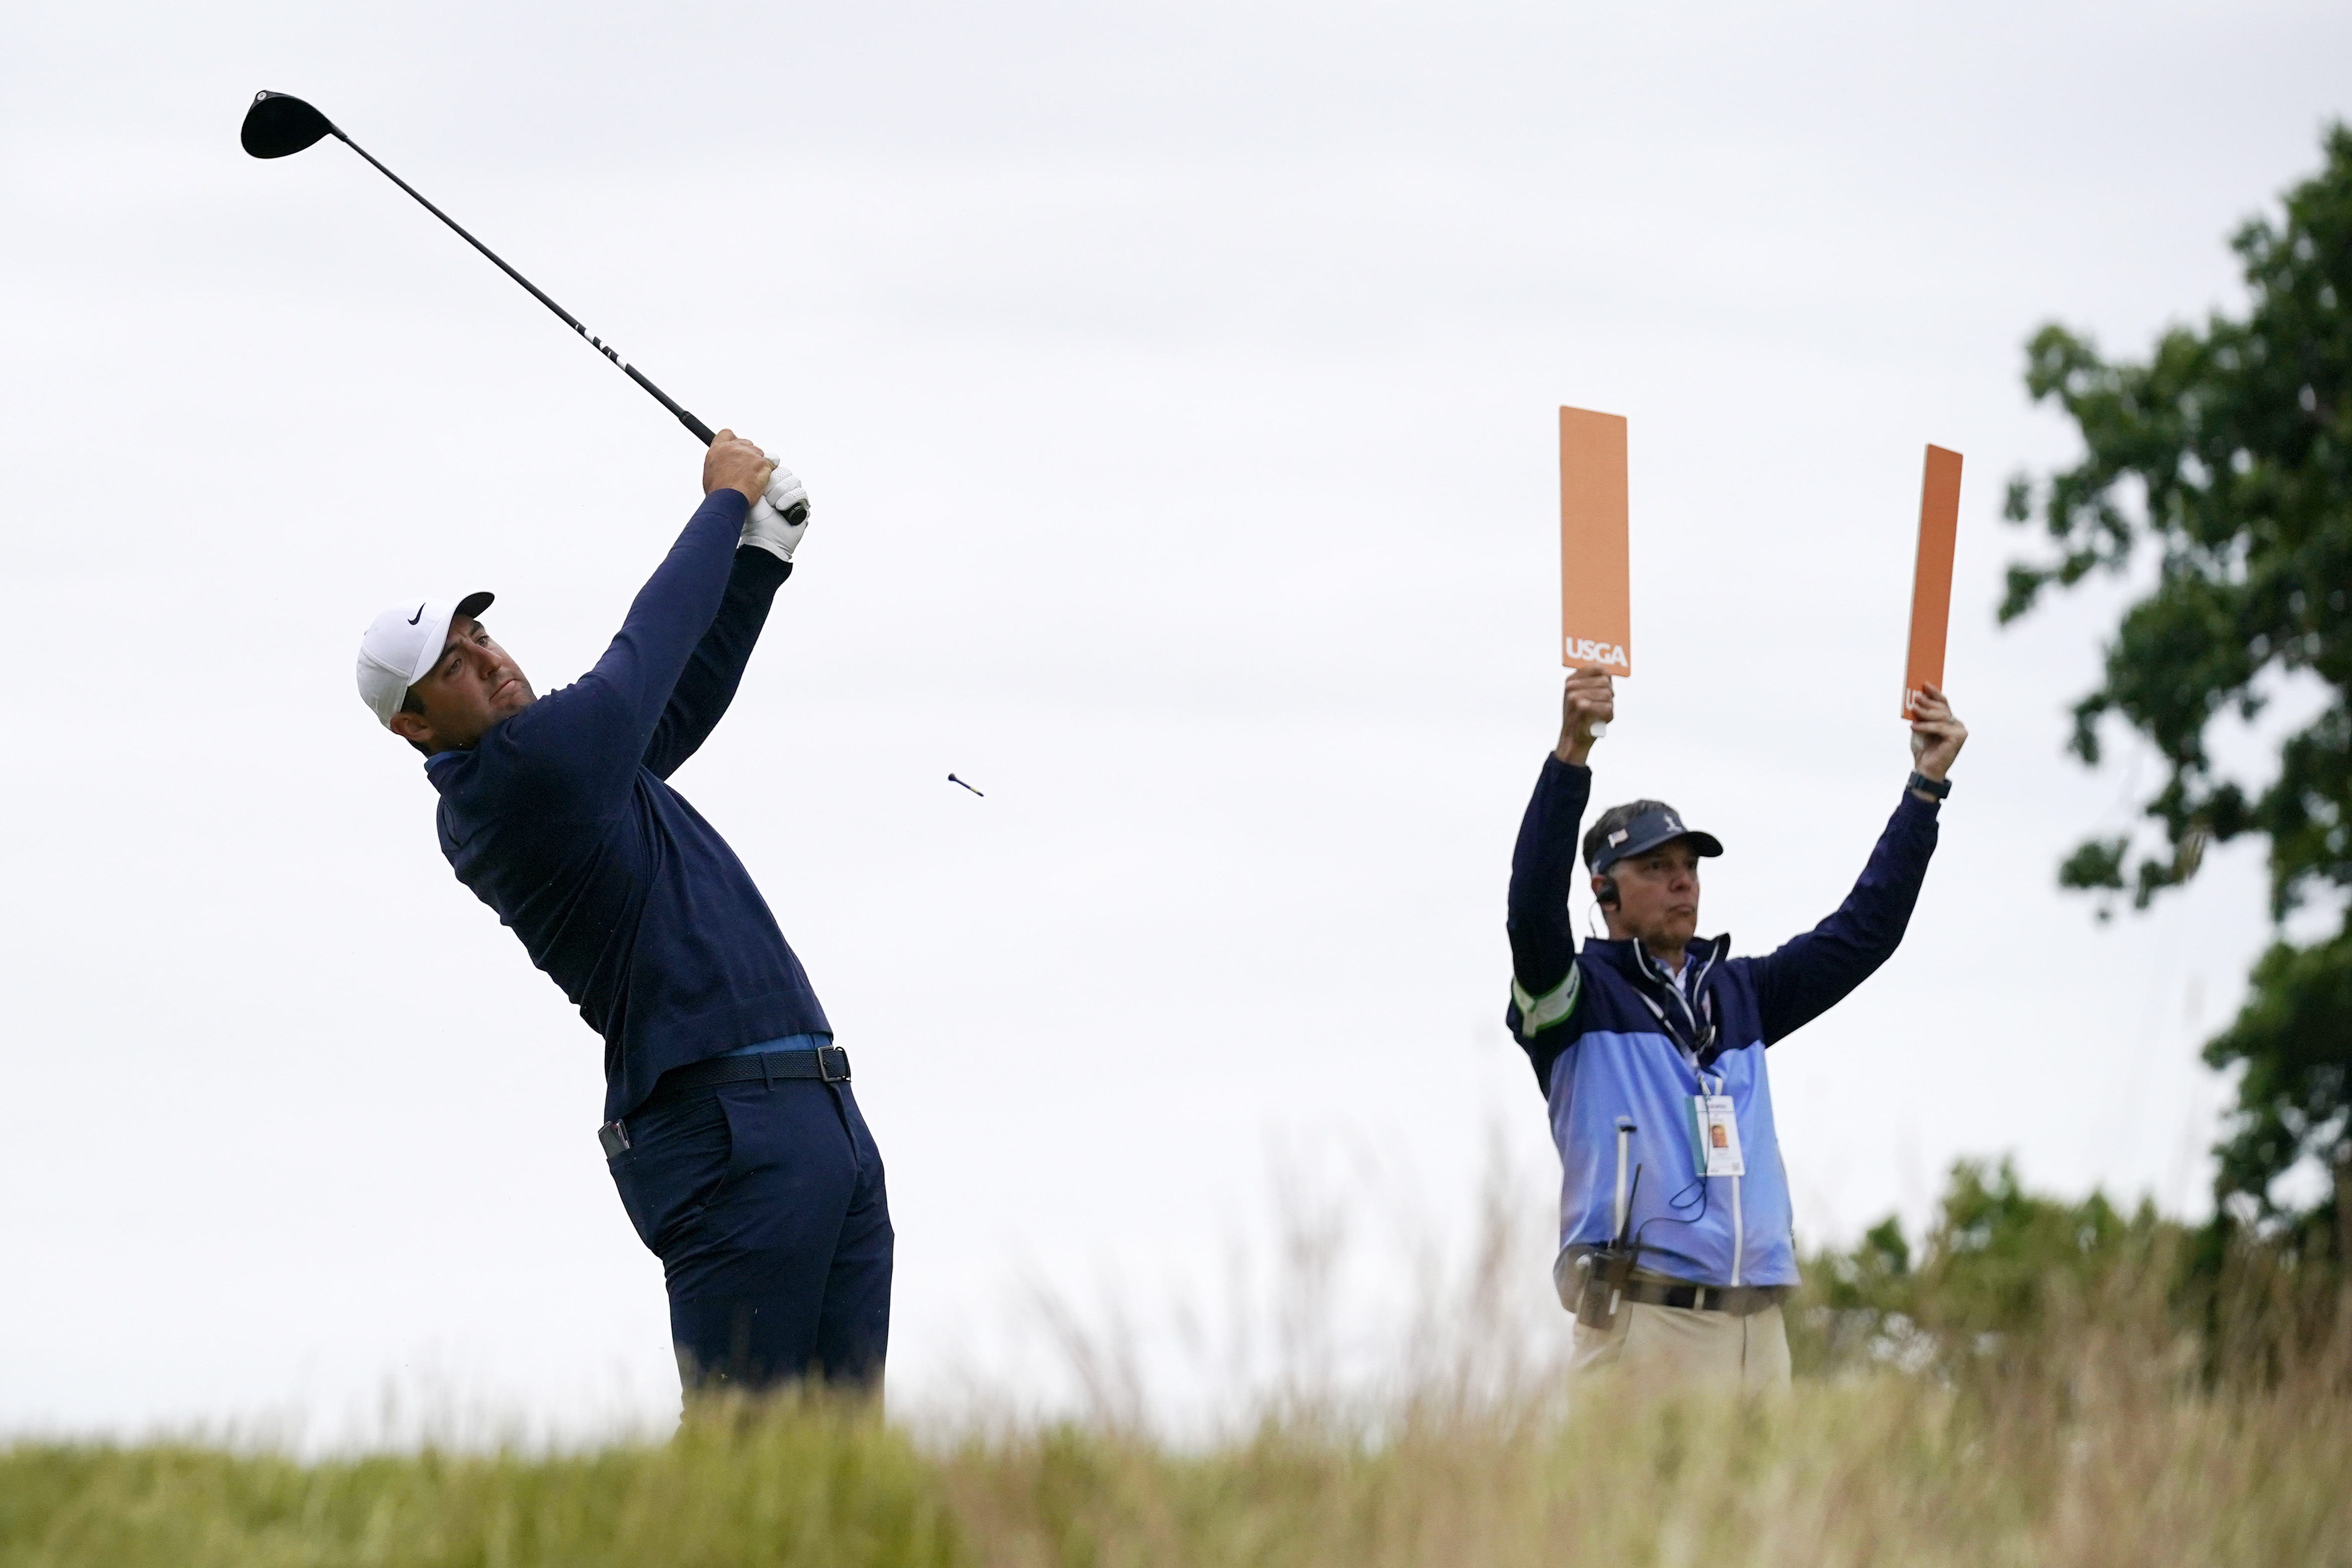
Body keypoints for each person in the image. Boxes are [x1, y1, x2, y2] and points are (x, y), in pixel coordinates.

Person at [351, 432, 890, 1396]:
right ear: (416, 726)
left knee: (839, 1466)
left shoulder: (573, 769)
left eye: (480, 638)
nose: (488, 659)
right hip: (725, 1124)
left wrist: (762, 561)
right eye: (454, 667)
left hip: (807, 1113)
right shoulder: (516, 780)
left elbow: (673, 704)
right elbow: (646, 655)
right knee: (742, 1447)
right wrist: (724, 505)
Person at [1504, 669, 1967, 1392]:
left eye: (1688, 866)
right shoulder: (1573, 998)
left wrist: (1926, 789)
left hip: (1761, 1334)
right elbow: (1531, 911)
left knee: (1768, 1514)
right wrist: (1572, 755)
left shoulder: (1740, 992)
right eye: (1655, 868)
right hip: (1643, 1323)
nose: (1683, 881)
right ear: (1604, 891)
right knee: (1629, 1513)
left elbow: (1865, 933)